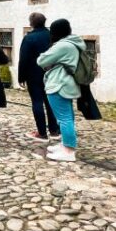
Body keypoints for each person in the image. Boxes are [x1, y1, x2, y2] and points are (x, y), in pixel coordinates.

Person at [37, 19, 84, 162]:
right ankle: (65, 145)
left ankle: (69, 150)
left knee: (64, 118)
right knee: (66, 117)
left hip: (59, 83)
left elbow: (41, 60)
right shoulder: (73, 43)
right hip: (66, 83)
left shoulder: (63, 45)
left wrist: (50, 60)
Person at [18, 13, 60, 142]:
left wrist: (21, 77)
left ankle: (42, 133)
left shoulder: (29, 38)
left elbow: (23, 59)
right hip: (51, 73)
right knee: (50, 102)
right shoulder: (53, 36)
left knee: (37, 102)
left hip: (34, 74)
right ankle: (54, 130)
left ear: (31, 23)